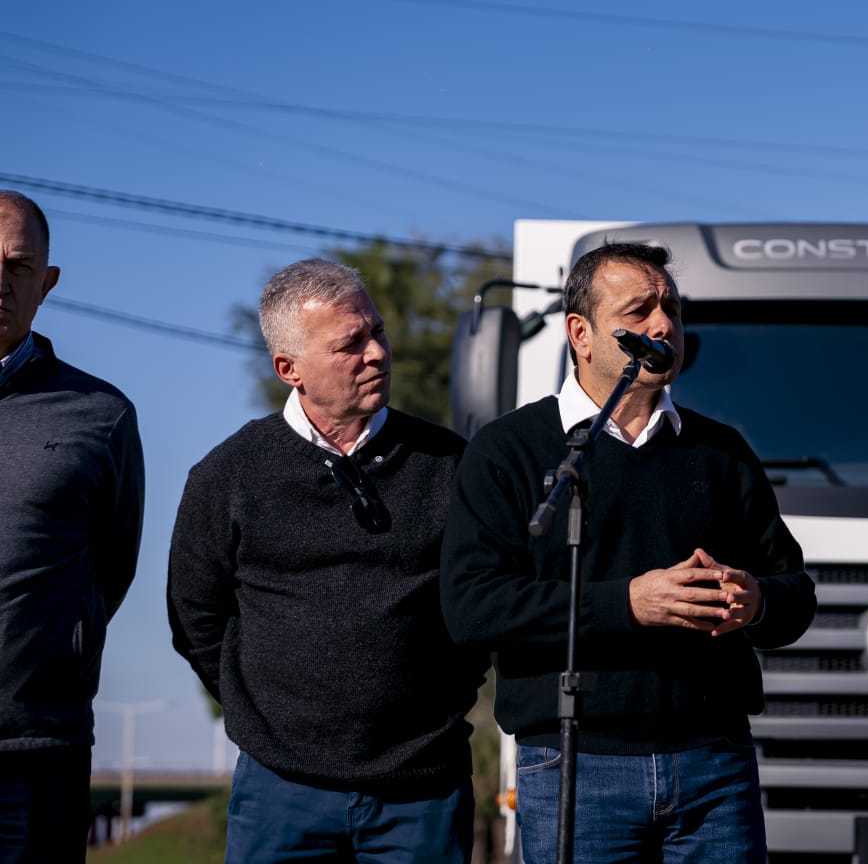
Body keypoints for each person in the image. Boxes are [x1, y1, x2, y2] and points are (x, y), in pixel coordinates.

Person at [441, 241, 816, 864]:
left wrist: (755, 602)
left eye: (671, 307)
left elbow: (795, 593)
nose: (664, 324)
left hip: (714, 765)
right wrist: (629, 603)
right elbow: (472, 607)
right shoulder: (510, 450)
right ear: (580, 335)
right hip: (576, 764)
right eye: (639, 310)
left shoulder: (721, 450)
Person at [167, 258, 485, 864]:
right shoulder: (227, 475)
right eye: (350, 344)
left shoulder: (450, 464)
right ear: (290, 369)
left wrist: (436, 710)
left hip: (421, 789)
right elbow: (195, 617)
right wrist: (263, 716)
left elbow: (478, 605)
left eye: (378, 332)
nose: (377, 354)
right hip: (280, 791)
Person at [0, 190, 145, 861]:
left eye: (18, 265)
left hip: (38, 756)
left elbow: (111, 569)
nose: (0, 281)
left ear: (47, 283)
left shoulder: (101, 415)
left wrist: (64, 644)